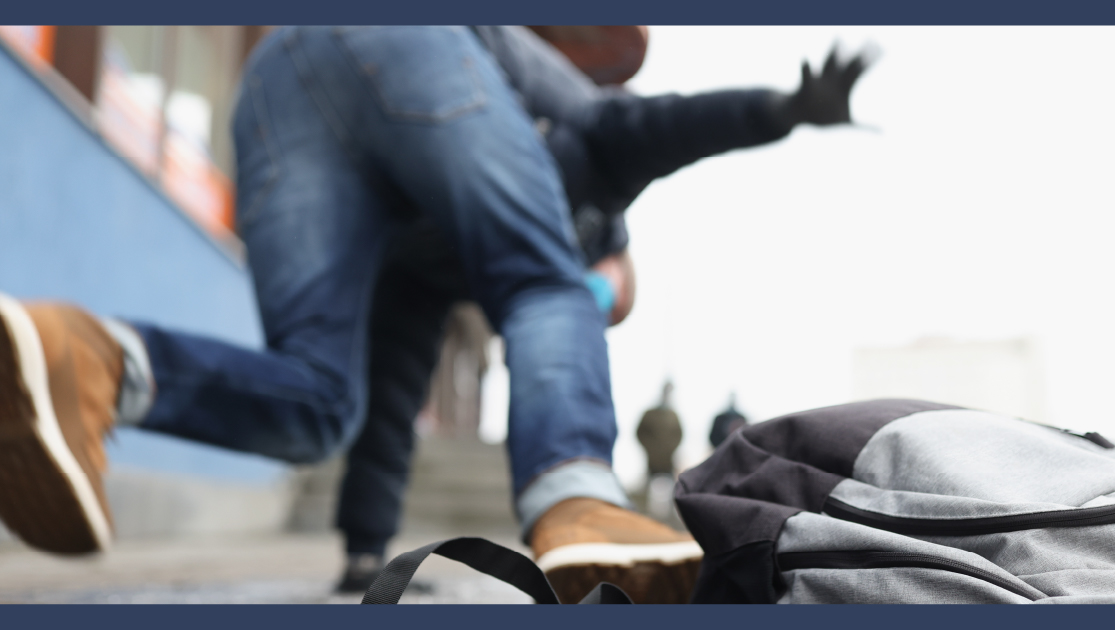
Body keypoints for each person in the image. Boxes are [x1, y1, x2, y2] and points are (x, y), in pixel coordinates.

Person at [0, 26, 873, 604]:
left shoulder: (428, 262)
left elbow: (394, 387)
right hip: (408, 42)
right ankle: (577, 500)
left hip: (276, 87)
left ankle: (90, 357)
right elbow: (647, 123)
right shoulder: (590, 163)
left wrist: (361, 547)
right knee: (542, 287)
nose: (592, 307)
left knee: (320, 399)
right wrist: (779, 111)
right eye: (605, 289)